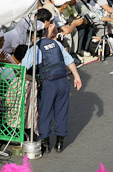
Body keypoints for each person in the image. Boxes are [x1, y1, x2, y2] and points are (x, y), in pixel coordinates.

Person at [22, 18, 83, 153]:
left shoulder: (34, 49)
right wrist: (77, 77)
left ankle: (45, 142)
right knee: (61, 111)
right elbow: (69, 60)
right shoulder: (55, 43)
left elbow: (23, 67)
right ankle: (60, 142)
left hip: (48, 83)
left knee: (45, 112)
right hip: (63, 81)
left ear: (32, 37)